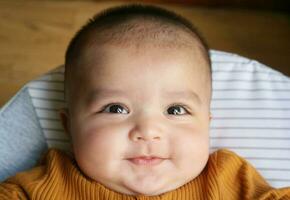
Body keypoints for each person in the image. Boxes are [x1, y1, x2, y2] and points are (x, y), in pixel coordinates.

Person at [0, 4, 289, 199]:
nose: (148, 130)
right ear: (69, 126)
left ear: (207, 125)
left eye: (176, 110)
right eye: (115, 108)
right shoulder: (46, 184)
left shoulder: (228, 181)